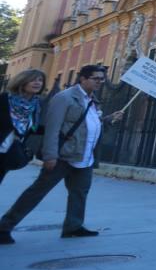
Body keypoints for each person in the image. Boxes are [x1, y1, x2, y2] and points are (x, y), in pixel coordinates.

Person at [0, 65, 123, 245]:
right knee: (37, 192)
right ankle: (5, 226)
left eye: (102, 79)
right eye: (96, 78)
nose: (100, 82)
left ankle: (73, 226)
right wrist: (50, 155)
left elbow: (89, 125)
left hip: (85, 156)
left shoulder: (93, 100)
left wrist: (108, 120)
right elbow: (52, 128)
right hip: (62, 155)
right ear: (82, 78)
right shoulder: (64, 97)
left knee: (80, 192)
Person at [0, 69, 46, 187]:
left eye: (40, 80)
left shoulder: (35, 105)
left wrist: (54, 131)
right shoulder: (5, 99)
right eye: (33, 80)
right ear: (22, 81)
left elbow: (31, 128)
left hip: (10, 151)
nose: (37, 83)